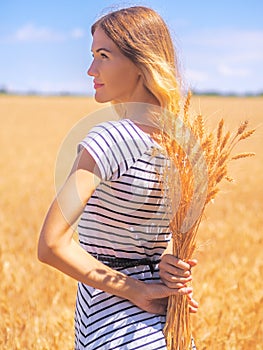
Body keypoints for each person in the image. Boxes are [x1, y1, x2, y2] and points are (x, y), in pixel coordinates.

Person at [38, 6, 198, 349]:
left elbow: (51, 244)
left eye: (103, 56)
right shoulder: (173, 142)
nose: (90, 69)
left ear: (141, 64)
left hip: (116, 331)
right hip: (167, 331)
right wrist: (166, 265)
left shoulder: (110, 138)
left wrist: (137, 289)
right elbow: (157, 239)